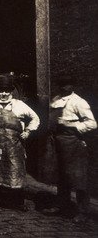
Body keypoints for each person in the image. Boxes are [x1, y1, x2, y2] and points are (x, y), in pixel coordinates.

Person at [0, 75, 40, 211]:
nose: (4, 94)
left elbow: (35, 118)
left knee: (15, 170)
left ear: (11, 92)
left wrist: (28, 131)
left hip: (14, 145)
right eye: (1, 91)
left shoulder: (19, 105)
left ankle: (17, 201)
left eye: (7, 91)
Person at [49, 76, 97, 221]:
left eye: (68, 85)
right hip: (58, 140)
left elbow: (92, 123)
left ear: (73, 86)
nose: (65, 88)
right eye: (62, 84)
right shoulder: (56, 99)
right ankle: (61, 205)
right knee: (62, 175)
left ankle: (83, 211)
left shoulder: (79, 102)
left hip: (74, 141)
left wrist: (72, 125)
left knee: (78, 176)